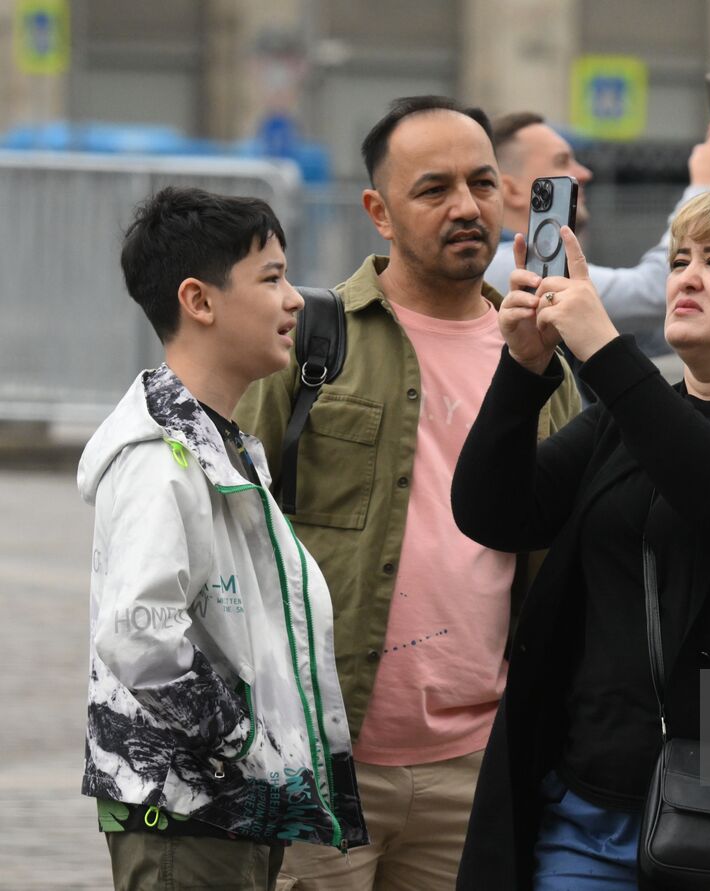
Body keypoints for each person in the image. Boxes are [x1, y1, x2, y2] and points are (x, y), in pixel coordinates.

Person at [452, 172, 710, 889]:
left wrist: (605, 350)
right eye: (679, 260)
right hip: (588, 812)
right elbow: (493, 512)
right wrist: (523, 368)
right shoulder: (623, 418)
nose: (689, 277)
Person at [236, 96, 580, 889]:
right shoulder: (311, 339)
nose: (466, 206)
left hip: (478, 764)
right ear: (379, 211)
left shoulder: (541, 356)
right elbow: (230, 522)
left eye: (483, 182)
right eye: (433, 189)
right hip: (320, 760)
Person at [79, 186, 368, 890]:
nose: (295, 298)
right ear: (199, 301)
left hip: (223, 810)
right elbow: (141, 635)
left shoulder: (220, 443)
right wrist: (242, 739)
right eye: (270, 278)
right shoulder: (160, 457)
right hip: (185, 816)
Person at [484, 109, 710, 356]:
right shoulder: (509, 269)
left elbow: (653, 334)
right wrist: (706, 185)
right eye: (562, 162)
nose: (584, 173)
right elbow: (653, 291)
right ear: (511, 189)